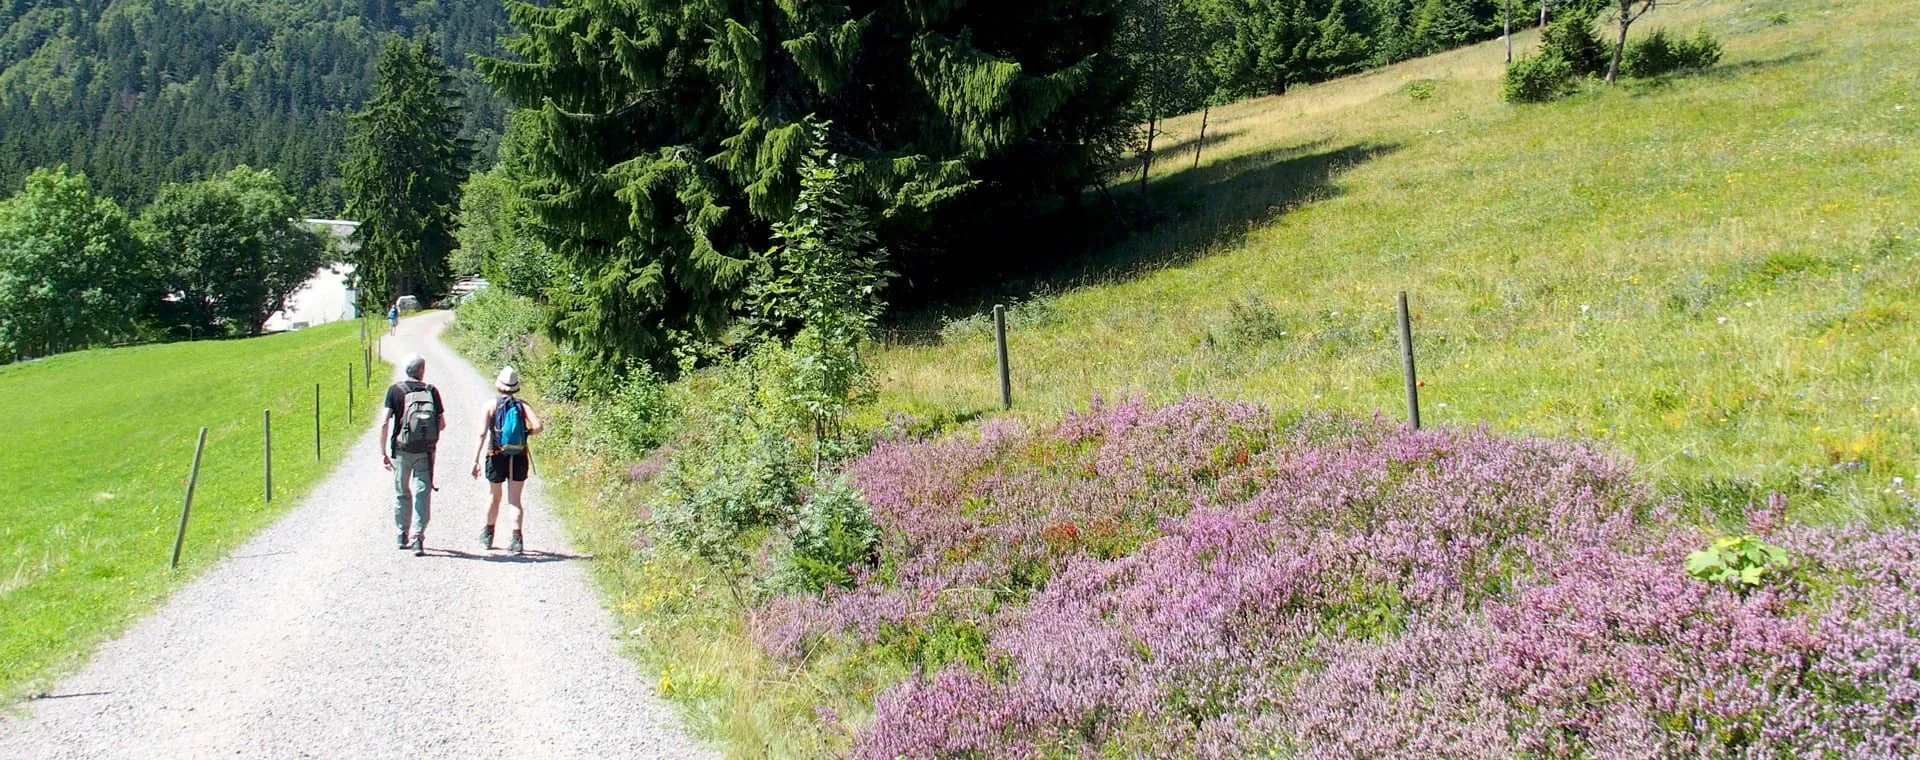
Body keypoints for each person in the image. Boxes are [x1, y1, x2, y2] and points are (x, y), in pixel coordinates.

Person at [471, 366, 543, 554]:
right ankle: (517, 540)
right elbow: (538, 426)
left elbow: (480, 433)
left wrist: (475, 459)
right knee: (515, 500)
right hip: (518, 457)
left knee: (494, 497)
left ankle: (488, 535)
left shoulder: (490, 405)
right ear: (515, 387)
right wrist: (525, 433)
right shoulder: (523, 406)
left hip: (495, 456)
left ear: (499, 386)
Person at [380, 353, 445, 555]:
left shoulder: (395, 390)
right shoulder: (432, 391)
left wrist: (383, 451)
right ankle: (418, 538)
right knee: (422, 492)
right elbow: (442, 424)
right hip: (425, 452)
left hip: (401, 450)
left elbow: (384, 422)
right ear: (422, 371)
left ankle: (402, 534)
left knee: (402, 492)